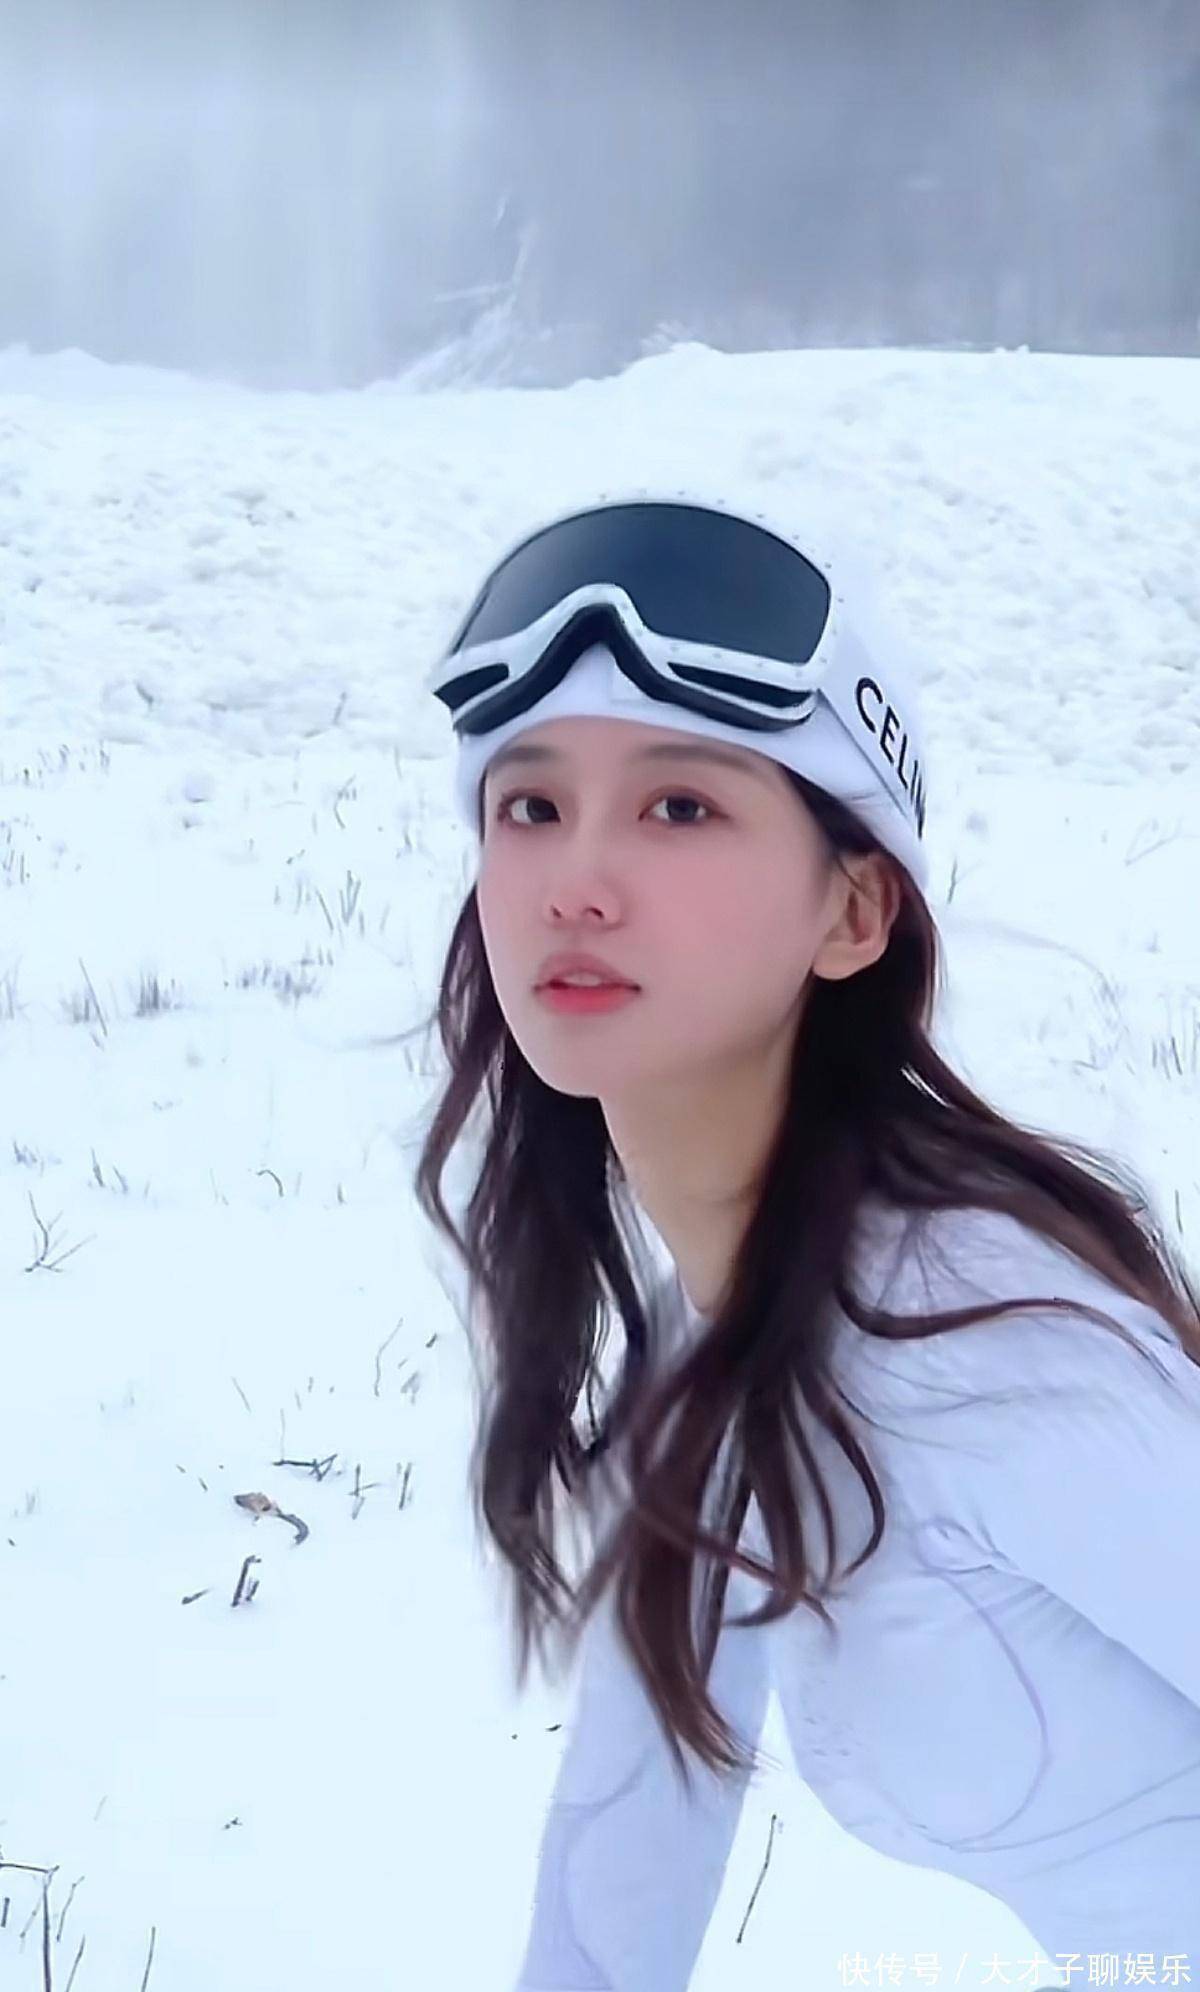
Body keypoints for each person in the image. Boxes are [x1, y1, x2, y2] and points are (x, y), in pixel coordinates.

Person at [410, 491, 1200, 1989]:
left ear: (854, 914)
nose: (576, 880)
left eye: (681, 807)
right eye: (530, 806)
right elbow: (623, 1872)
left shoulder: (991, 1345)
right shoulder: (708, 1355)